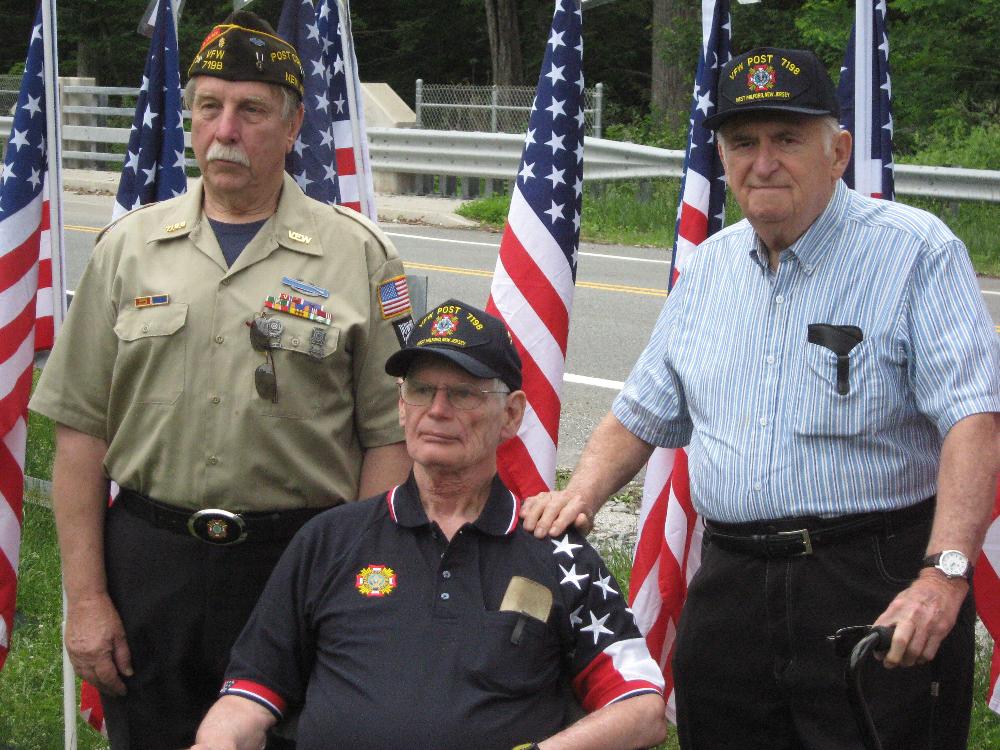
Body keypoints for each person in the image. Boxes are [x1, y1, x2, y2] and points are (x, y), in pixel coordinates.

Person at [520, 46, 1000, 749]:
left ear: (837, 152)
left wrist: (944, 574)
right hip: (732, 588)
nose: (763, 162)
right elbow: (642, 410)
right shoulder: (710, 268)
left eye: (787, 139)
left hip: (871, 579)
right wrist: (581, 493)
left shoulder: (915, 253)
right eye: (743, 142)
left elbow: (974, 419)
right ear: (721, 156)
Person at [29, 11, 412, 748]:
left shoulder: (358, 256)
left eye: (252, 110)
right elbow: (80, 432)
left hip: (297, 563)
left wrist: (354, 586)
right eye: (209, 107)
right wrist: (86, 599)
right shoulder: (128, 249)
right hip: (151, 566)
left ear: (294, 125)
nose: (225, 130)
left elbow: (389, 438)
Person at [188, 299, 668, 750]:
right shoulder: (329, 540)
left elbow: (641, 709)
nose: (437, 410)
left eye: (463, 394)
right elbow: (249, 693)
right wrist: (216, 741)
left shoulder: (555, 551)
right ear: (401, 406)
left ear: (511, 415)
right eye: (420, 391)